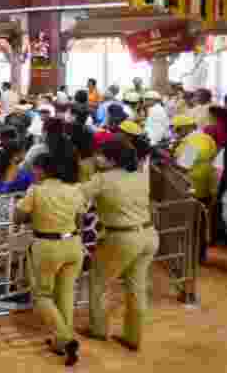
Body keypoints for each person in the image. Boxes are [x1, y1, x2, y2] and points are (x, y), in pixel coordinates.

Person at [81, 136, 158, 351]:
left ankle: (98, 329)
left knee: (99, 282)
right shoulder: (140, 175)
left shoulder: (102, 179)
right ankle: (133, 337)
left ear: (113, 160)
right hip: (149, 235)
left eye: (101, 155)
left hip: (122, 237)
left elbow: (78, 196)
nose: (97, 158)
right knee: (137, 287)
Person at [14, 144, 87, 366]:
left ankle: (66, 339)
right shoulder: (75, 188)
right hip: (73, 244)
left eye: (35, 168)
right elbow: (80, 218)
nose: (33, 172)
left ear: (43, 170)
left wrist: (33, 216)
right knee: (65, 295)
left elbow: (18, 217)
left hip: (47, 246)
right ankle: (59, 343)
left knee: (42, 297)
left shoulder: (36, 190)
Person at [171, 114, 219, 263]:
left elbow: (184, 165)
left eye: (178, 129)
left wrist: (169, 161)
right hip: (205, 187)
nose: (176, 132)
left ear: (187, 128)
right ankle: (199, 254)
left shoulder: (194, 142)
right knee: (201, 223)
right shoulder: (205, 138)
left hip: (192, 188)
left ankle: (192, 256)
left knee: (191, 224)